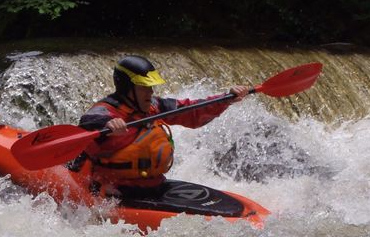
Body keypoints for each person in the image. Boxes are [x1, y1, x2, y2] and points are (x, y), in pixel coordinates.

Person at [70, 54, 249, 197]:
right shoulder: (103, 112)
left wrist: (226, 99)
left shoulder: (154, 106)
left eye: (150, 87)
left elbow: (191, 111)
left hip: (152, 185)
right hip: (112, 190)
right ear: (126, 88)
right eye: (144, 87)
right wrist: (108, 126)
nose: (151, 92)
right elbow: (89, 123)